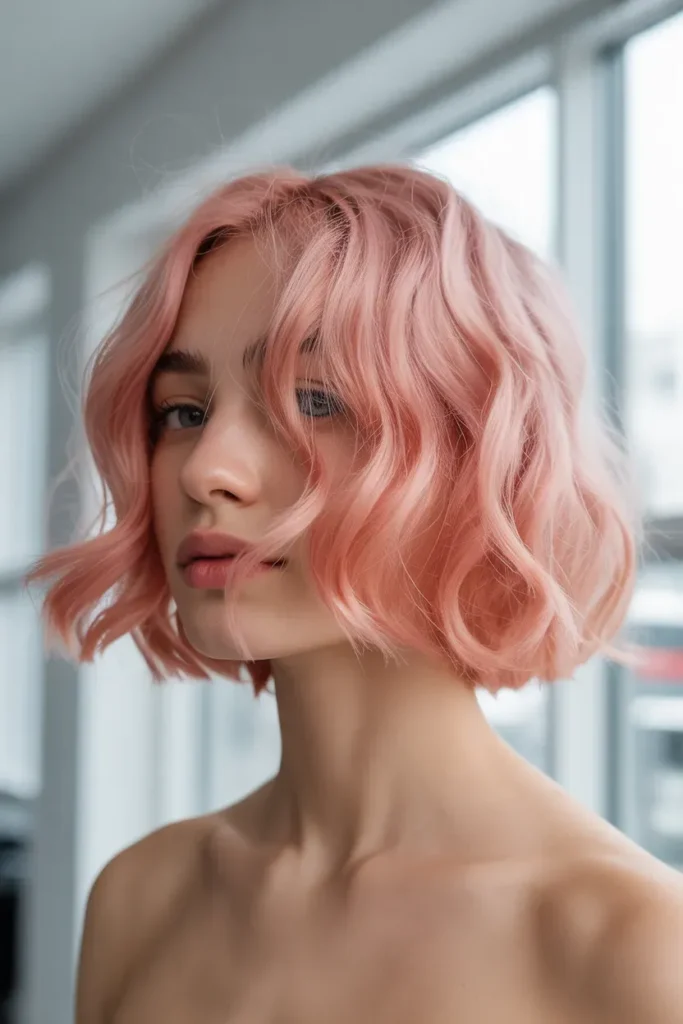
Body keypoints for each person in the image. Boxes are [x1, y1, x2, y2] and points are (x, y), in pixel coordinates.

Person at [27, 165, 683, 1023]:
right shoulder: (140, 897)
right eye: (182, 412)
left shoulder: (639, 949)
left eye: (312, 400)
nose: (207, 469)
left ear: (482, 455)